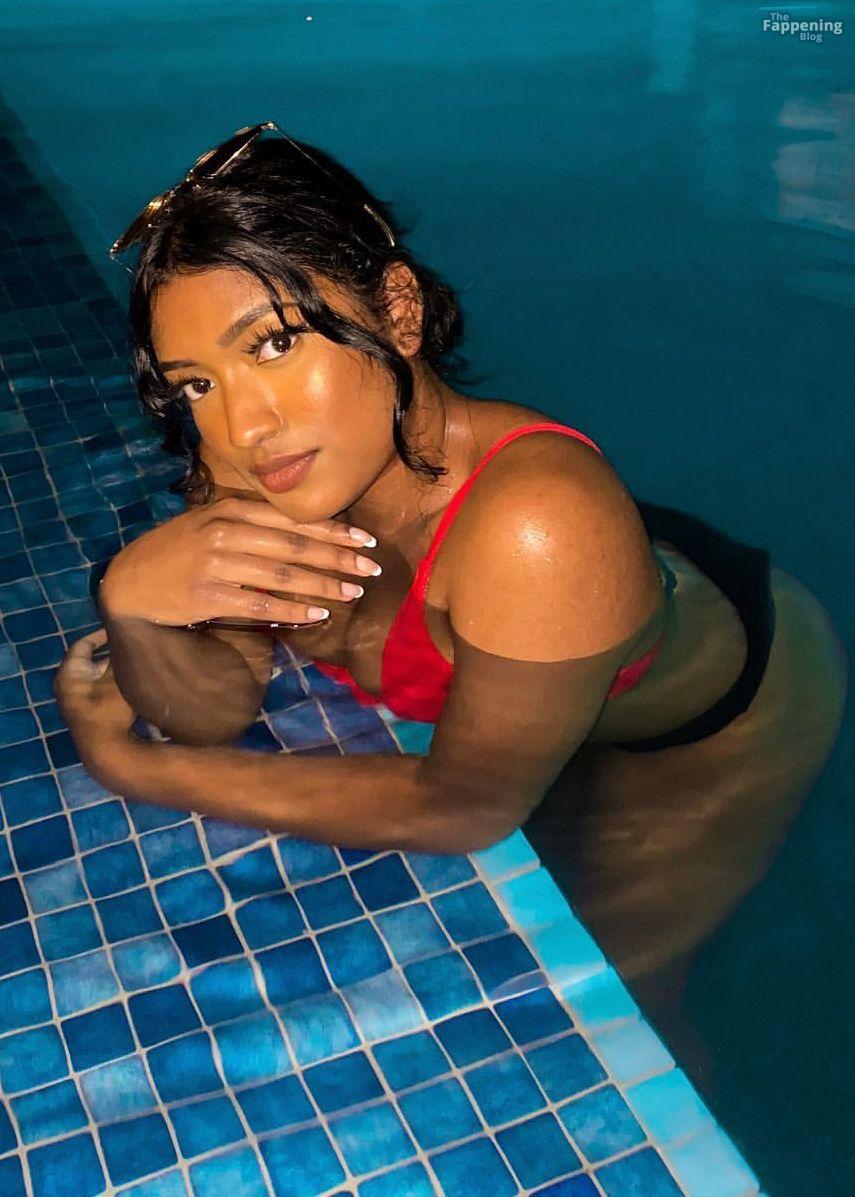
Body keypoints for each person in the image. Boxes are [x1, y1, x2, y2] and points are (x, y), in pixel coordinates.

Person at [56, 124, 848, 1025]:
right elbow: (220, 704)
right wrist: (134, 604)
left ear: (397, 311)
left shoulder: (537, 527)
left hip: (707, 714)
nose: (243, 425)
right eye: (196, 383)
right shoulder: (256, 462)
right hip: (543, 609)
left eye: (273, 344)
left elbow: (465, 807)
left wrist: (133, 763)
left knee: (618, 996)